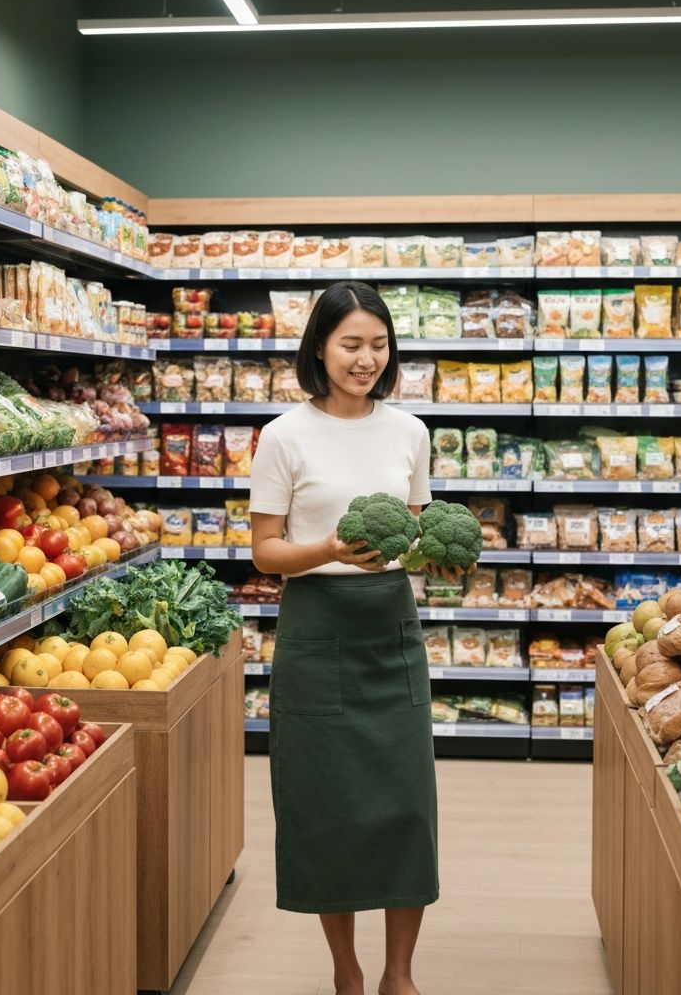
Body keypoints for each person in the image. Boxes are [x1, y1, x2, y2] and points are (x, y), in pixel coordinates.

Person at [249, 281, 438, 995]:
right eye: (351, 344)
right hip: (315, 627)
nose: (366, 359)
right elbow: (266, 552)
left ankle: (400, 974)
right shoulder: (284, 436)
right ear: (320, 348)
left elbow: (414, 535)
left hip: (391, 626)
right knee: (325, 805)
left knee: (405, 806)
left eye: (378, 345)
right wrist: (328, 548)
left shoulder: (409, 431)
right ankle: (347, 972)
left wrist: (438, 558)